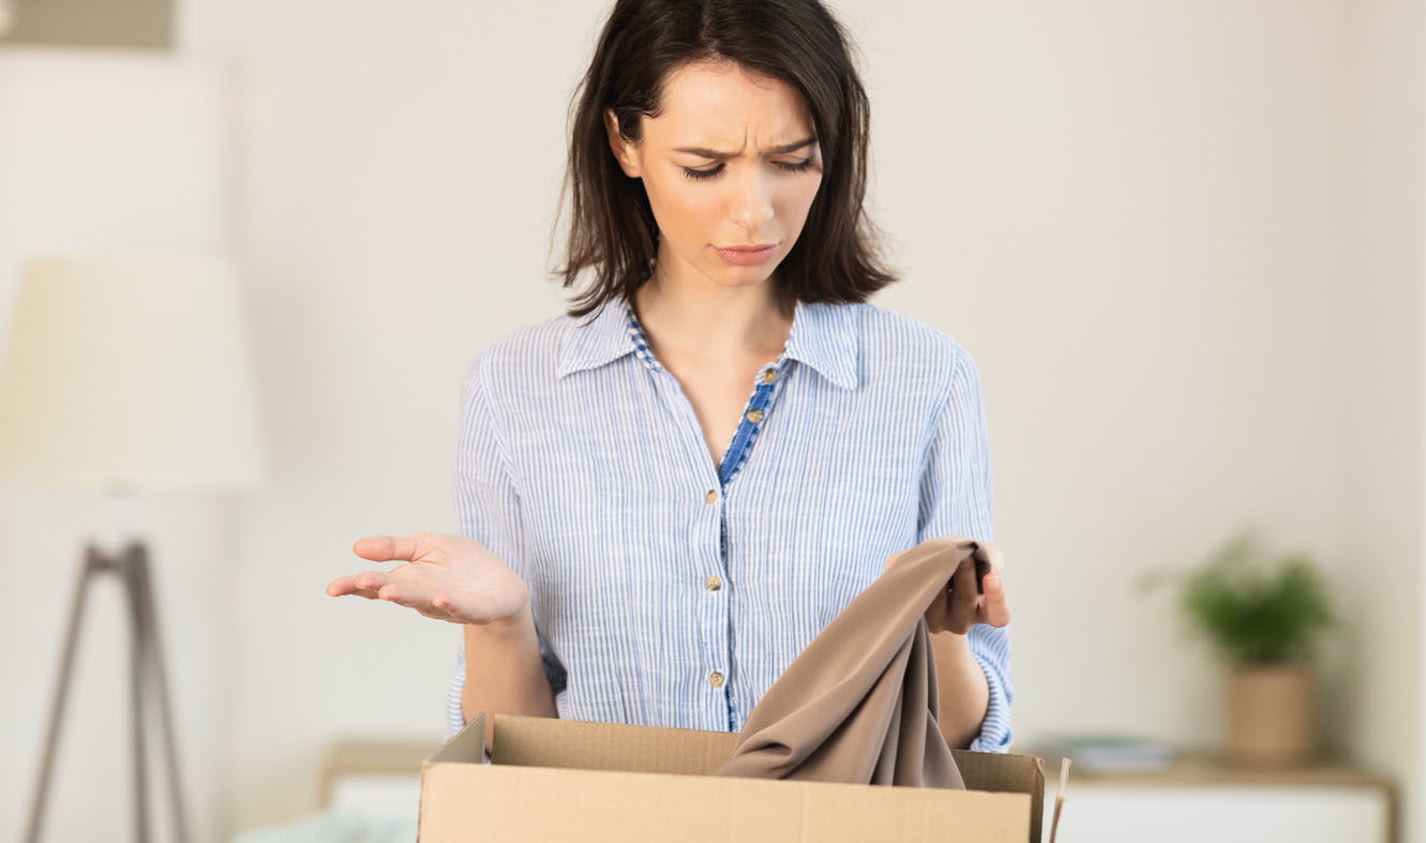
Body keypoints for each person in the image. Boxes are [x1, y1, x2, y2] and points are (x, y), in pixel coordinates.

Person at [326, 0, 1014, 753]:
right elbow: (515, 762)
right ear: (624, 141)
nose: (755, 212)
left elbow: (964, 745)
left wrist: (939, 629)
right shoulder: (515, 388)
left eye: (792, 160)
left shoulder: (925, 378)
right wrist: (499, 624)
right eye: (704, 167)